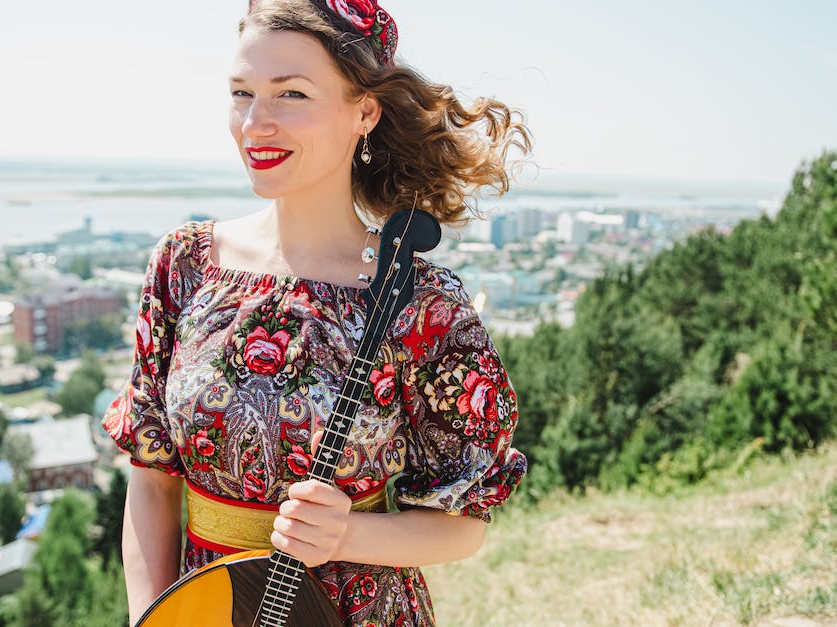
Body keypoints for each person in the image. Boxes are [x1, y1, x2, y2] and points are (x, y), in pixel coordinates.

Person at [101, 0, 531, 624]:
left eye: (291, 94)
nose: (255, 123)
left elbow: (463, 524)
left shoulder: (422, 300)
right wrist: (154, 620)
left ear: (365, 111)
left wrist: (347, 534)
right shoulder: (184, 264)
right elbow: (151, 479)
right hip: (204, 611)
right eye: (242, 92)